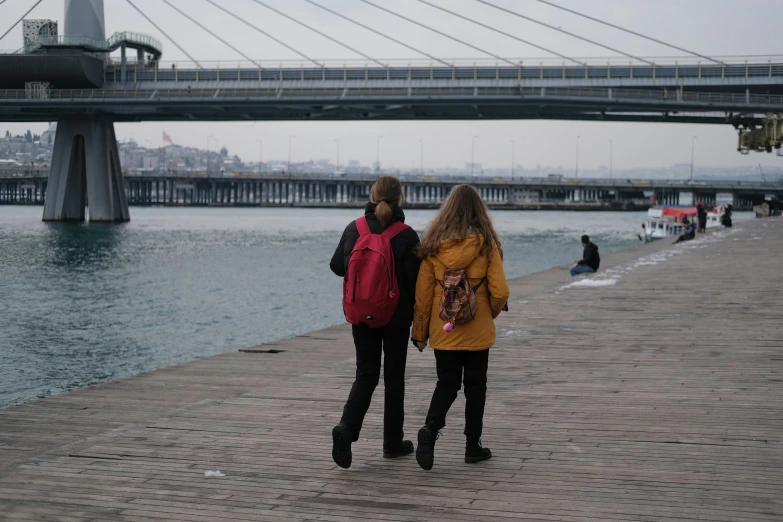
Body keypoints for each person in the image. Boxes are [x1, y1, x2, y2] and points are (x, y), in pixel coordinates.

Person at [411, 185, 510, 471]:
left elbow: (423, 296)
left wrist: (419, 334)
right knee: (476, 386)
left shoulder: (432, 247)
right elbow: (500, 291)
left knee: (447, 383)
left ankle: (430, 429)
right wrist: (485, 313)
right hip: (477, 332)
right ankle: (472, 446)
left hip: (445, 330)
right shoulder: (487, 244)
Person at [329, 175, 421, 469]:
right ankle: (393, 443)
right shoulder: (406, 235)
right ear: (400, 199)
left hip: (362, 316)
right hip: (396, 317)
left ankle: (347, 427)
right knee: (394, 380)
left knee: (365, 375)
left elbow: (336, 267)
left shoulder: (353, 228)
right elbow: (414, 283)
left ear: (372, 195)